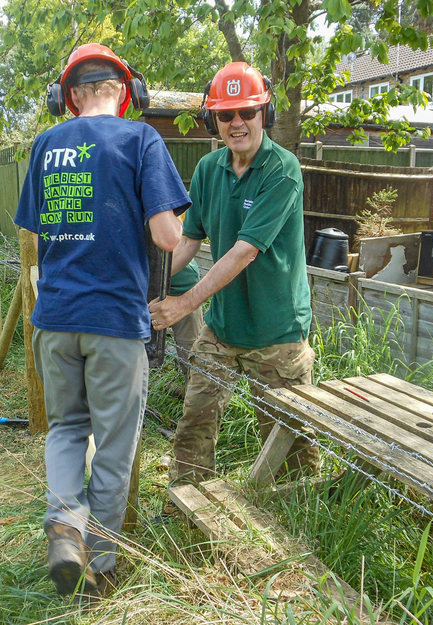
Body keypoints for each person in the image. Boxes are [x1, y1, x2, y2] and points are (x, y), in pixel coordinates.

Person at [14, 43, 190, 597]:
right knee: (114, 447)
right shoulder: (142, 139)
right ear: (127, 92)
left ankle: (65, 522)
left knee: (67, 429)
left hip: (55, 320)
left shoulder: (45, 145)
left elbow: (38, 239)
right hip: (115, 320)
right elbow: (165, 238)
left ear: (67, 96)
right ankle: (100, 569)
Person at [149, 62, 320, 484]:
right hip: (222, 329)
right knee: (194, 423)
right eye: (226, 114)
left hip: (276, 332)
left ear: (266, 114)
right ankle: (185, 503)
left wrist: (183, 305)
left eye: (247, 111)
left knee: (289, 440)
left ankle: (299, 515)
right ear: (214, 121)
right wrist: (145, 288)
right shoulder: (209, 170)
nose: (237, 122)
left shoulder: (282, 170)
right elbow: (188, 243)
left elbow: (243, 253)